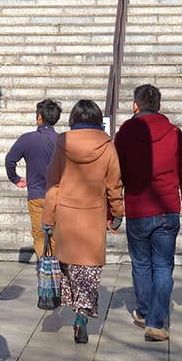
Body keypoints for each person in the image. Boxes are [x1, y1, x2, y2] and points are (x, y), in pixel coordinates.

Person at [113, 83, 182, 342]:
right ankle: (156, 322)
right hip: (166, 208)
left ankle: (145, 312)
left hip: (138, 207)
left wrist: (112, 209)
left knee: (141, 263)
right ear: (159, 106)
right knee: (162, 265)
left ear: (135, 105)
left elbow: (116, 173)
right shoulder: (173, 132)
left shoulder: (125, 133)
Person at [42, 98, 124, 344]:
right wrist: (118, 212)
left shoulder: (63, 144)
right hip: (93, 216)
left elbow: (53, 183)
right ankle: (82, 316)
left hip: (67, 217)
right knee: (89, 271)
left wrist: (47, 218)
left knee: (71, 268)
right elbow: (114, 184)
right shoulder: (107, 146)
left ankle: (76, 308)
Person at [3, 98, 62, 258]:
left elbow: (10, 160)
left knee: (40, 235)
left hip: (36, 196)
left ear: (39, 117)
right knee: (56, 235)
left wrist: (15, 178)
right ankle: (55, 267)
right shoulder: (63, 141)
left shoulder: (27, 139)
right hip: (58, 196)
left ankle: (46, 265)